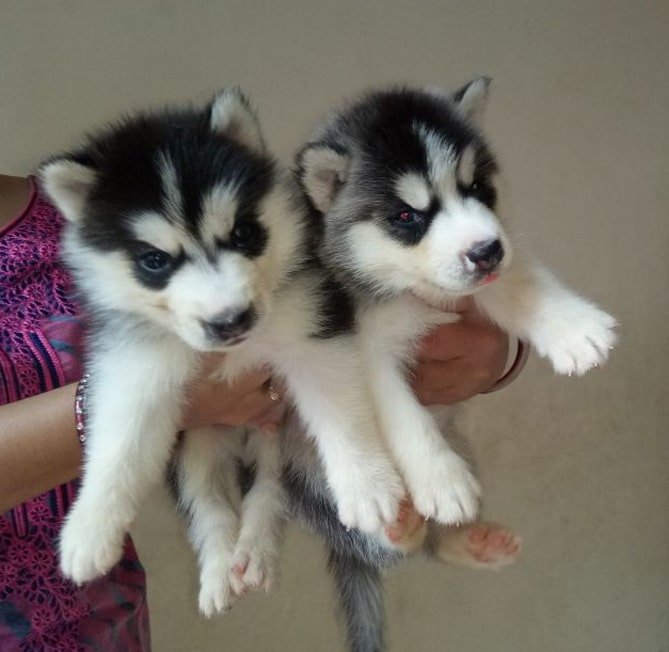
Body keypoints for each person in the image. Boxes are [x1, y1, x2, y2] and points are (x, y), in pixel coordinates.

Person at [0, 173, 520, 650]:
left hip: (105, 626)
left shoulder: (76, 210)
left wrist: (505, 353)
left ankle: (422, 534)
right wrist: (162, 404)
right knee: (257, 468)